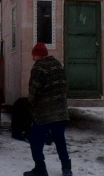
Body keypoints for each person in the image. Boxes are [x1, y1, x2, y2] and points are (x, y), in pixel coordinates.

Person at [24, 43, 72, 176]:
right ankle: (66, 168)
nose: (32, 57)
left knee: (36, 139)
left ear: (38, 54)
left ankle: (40, 169)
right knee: (59, 139)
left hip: (44, 112)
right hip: (60, 111)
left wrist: (30, 106)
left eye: (33, 55)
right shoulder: (57, 65)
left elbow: (34, 90)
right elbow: (64, 86)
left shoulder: (39, 68)